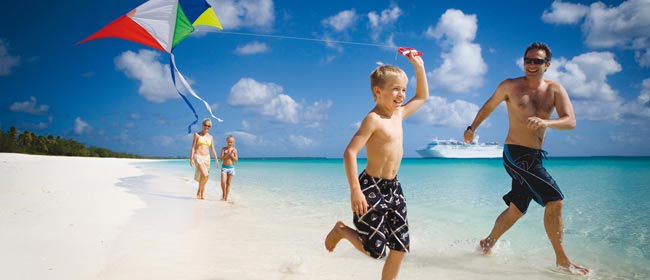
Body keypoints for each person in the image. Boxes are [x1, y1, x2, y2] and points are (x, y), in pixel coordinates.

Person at [463, 42, 590, 275]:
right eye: (528, 60)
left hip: (535, 157)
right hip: (515, 153)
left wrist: (546, 122)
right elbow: (489, 106)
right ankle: (562, 259)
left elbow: (570, 120)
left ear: (547, 65)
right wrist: (472, 128)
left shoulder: (555, 90)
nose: (531, 65)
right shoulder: (510, 86)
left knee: (517, 209)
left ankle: (487, 243)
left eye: (537, 61)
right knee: (555, 201)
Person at [324, 51, 428, 280]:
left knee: (400, 247)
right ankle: (341, 230)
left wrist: (418, 66)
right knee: (376, 251)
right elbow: (350, 153)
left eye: (403, 89)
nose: (401, 95)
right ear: (378, 91)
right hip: (370, 187)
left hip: (394, 188)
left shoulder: (398, 114)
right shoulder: (373, 119)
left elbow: (421, 96)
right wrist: (355, 190)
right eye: (395, 89)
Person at [190, 118, 218, 200]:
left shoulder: (211, 137)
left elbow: (212, 149)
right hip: (198, 156)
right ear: (202, 125)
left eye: (208, 126)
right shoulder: (196, 135)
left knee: (205, 177)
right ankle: (199, 192)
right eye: (205, 125)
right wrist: (191, 158)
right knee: (205, 174)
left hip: (207, 158)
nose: (207, 127)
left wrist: (216, 159)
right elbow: (193, 147)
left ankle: (201, 193)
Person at [219, 135, 238, 202]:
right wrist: (227, 154)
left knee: (228, 183)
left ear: (233, 143)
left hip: (231, 168)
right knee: (223, 182)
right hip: (224, 167)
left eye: (231, 142)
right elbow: (221, 158)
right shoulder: (223, 149)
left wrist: (231, 155)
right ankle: (223, 193)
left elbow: (236, 160)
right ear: (226, 142)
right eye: (229, 142)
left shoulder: (234, 150)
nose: (230, 143)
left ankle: (226, 197)